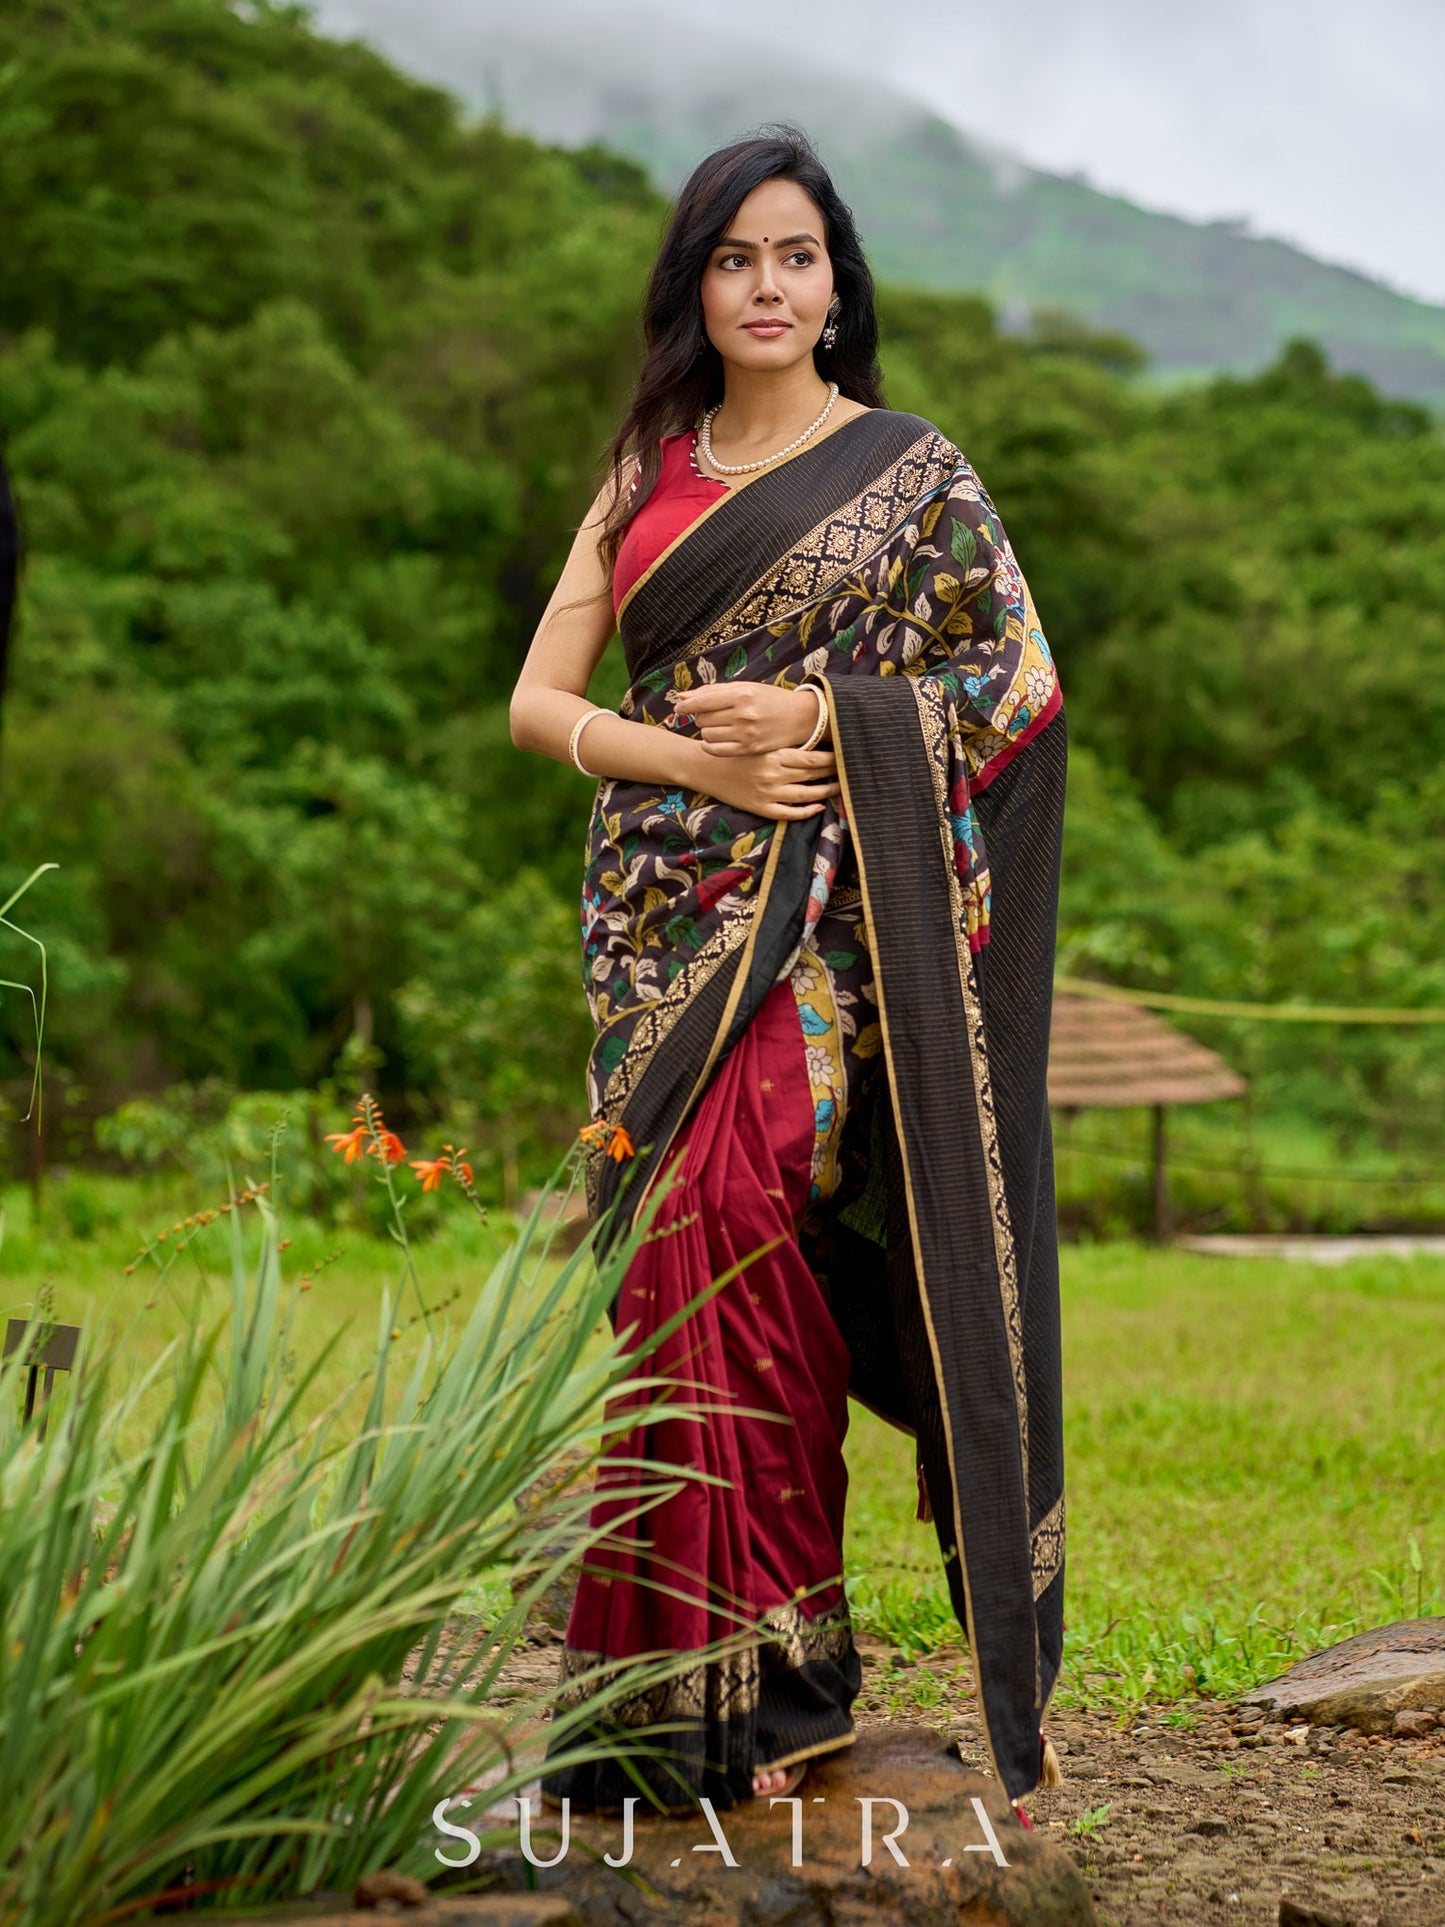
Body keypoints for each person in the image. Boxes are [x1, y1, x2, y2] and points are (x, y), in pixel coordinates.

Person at [510, 128, 1066, 1815]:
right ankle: (660, 1702)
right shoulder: (643, 471)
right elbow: (538, 704)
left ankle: (781, 1673)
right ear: (694, 285)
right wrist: (696, 762)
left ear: (837, 285)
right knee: (665, 1266)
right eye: (734, 257)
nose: (766, 285)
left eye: (796, 255)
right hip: (657, 919)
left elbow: (1013, 685)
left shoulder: (908, 471)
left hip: (826, 924)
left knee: (738, 1213)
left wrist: (825, 715)